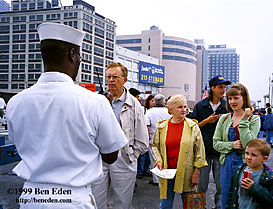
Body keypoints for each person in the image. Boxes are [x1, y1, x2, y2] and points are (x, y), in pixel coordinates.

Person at [6, 22, 128, 209]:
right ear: (72, 55)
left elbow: (19, 143)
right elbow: (111, 155)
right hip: (73, 198)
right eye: (80, 56)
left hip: (31, 197)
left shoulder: (16, 102)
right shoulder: (95, 102)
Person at [91, 62, 149, 209]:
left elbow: (142, 139)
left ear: (124, 80)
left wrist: (131, 155)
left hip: (124, 158)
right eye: (108, 77)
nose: (111, 80)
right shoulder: (98, 102)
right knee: (95, 202)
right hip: (99, 159)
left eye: (115, 77)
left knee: (123, 203)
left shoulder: (134, 104)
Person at [152, 94, 208, 209]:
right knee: (165, 205)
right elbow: (155, 146)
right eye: (180, 107)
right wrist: (158, 161)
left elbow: (200, 151)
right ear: (171, 110)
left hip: (187, 173)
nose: (184, 110)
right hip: (166, 172)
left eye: (185, 107)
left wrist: (196, 173)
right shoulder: (162, 127)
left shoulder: (193, 126)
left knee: (190, 205)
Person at [213, 83, 260, 209]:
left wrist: (244, 120)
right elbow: (215, 143)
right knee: (226, 197)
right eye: (230, 98)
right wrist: (231, 145)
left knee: (243, 198)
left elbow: (249, 144)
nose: (232, 101)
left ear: (244, 99)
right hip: (226, 163)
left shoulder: (254, 119)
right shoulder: (224, 118)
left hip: (245, 164)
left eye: (236, 98)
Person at [190, 75, 231, 209]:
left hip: (221, 152)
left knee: (221, 184)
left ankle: (219, 207)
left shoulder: (228, 106)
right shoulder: (200, 106)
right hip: (203, 151)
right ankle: (200, 206)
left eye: (224, 87)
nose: (223, 90)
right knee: (202, 185)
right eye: (220, 87)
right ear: (212, 88)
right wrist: (207, 121)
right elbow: (192, 127)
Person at [226, 138, 273, 208]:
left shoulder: (270, 177)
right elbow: (231, 195)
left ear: (264, 159)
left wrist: (253, 188)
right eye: (247, 153)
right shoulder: (239, 170)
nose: (248, 157)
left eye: (254, 155)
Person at [145, 94, 171, 185]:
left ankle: (156, 180)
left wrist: (147, 138)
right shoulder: (169, 112)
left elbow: (147, 125)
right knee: (166, 158)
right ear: (164, 102)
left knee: (154, 160)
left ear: (155, 102)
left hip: (153, 139)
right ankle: (166, 177)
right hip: (167, 138)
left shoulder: (149, 112)